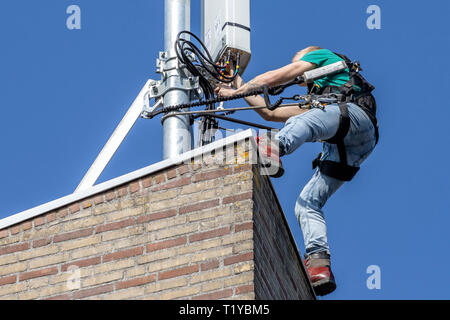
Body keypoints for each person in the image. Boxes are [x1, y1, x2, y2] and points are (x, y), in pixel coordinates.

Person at [215, 46, 379, 296]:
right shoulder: (319, 98)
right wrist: (238, 84)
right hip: (355, 144)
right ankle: (319, 265)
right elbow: (271, 113)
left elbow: (277, 77)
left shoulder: (322, 56)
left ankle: (274, 148)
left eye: (298, 61)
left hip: (352, 116)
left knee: (301, 122)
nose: (298, 72)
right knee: (307, 204)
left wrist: (239, 90)